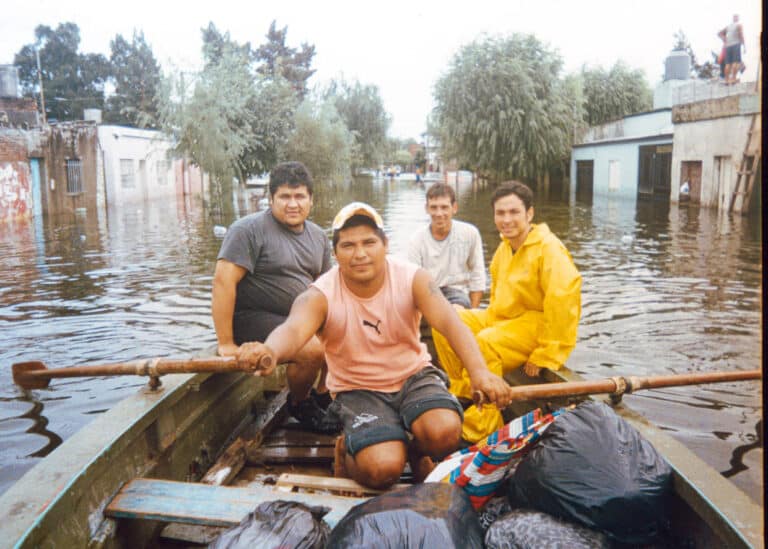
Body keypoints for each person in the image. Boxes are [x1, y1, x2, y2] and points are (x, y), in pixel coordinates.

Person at [236, 202, 513, 489]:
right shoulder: (321, 293)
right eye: (348, 245)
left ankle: (417, 450)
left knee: (445, 432)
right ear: (335, 253)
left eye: (369, 242)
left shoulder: (414, 278)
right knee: (382, 470)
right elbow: (293, 330)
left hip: (413, 377)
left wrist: (480, 373)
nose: (360, 254)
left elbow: (451, 324)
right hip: (358, 389)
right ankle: (347, 449)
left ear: (385, 245)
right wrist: (269, 350)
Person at [432, 181, 582, 443]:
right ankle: (465, 391)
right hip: (504, 317)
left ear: (530, 214)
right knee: (445, 320)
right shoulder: (505, 247)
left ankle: (482, 424)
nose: (507, 220)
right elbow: (501, 298)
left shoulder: (548, 249)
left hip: (537, 323)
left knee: (486, 343)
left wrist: (547, 353)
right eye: (501, 213)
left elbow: (564, 300)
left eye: (514, 212)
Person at [211, 160, 339, 434]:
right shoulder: (248, 230)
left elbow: (326, 287)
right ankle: (300, 403)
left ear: (311, 200)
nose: (293, 204)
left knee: (345, 326)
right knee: (311, 349)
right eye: (284, 197)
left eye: (299, 196)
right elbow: (223, 283)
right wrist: (226, 343)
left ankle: (324, 393)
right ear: (270, 199)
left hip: (296, 319)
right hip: (253, 319)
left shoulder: (318, 236)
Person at [407, 183, 486, 309]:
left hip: (457, 294)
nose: (439, 213)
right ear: (427, 209)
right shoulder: (416, 240)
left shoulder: (469, 233)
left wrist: (473, 312)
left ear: (454, 208)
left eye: (444, 207)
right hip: (429, 292)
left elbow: (478, 276)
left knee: (456, 310)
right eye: (434, 208)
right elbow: (412, 282)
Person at [720, 14, 745, 85]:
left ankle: (727, 80)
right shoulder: (739, 25)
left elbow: (720, 33)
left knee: (728, 64)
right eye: (737, 17)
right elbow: (741, 34)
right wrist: (744, 44)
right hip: (736, 44)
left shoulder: (728, 26)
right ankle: (733, 79)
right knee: (736, 62)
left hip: (728, 46)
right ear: (737, 19)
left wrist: (724, 39)